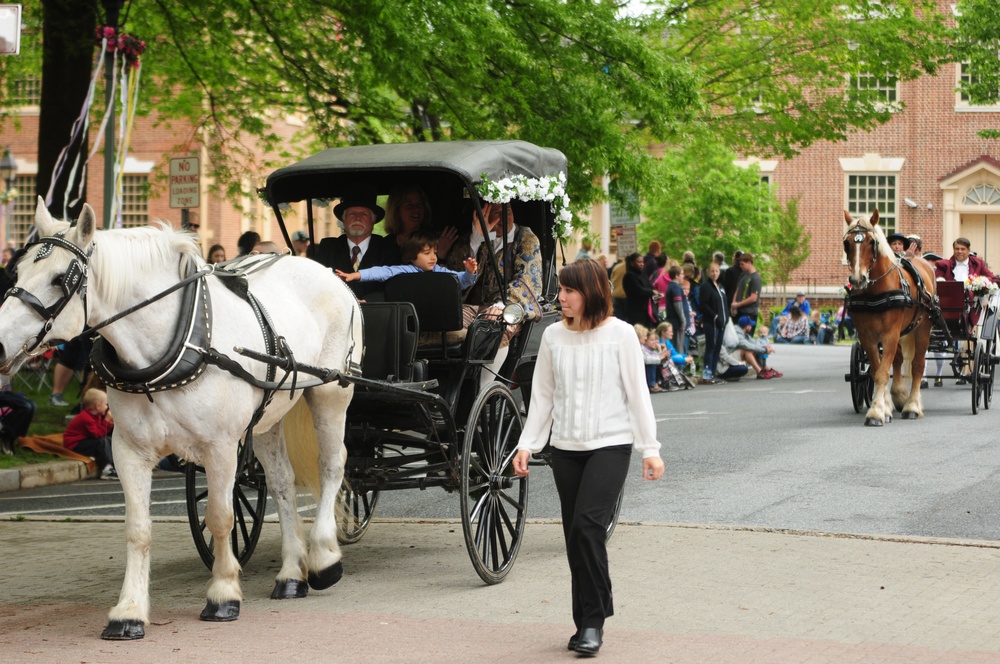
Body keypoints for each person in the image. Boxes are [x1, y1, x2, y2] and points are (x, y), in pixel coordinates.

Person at [511, 259, 664, 657]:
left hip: (610, 446)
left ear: (591, 292)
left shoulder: (621, 335)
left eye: (568, 291)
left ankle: (594, 621)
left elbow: (637, 394)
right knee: (574, 536)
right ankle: (583, 623)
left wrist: (650, 449)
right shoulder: (552, 338)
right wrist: (526, 444)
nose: (560, 298)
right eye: (560, 290)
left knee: (588, 526)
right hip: (565, 450)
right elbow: (541, 399)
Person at [443, 201, 542, 387]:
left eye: (508, 211)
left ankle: (483, 390)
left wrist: (500, 305)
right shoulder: (470, 239)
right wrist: (476, 240)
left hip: (509, 309)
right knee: (447, 323)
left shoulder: (525, 238)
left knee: (496, 326)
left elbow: (527, 279)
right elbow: (454, 277)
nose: (504, 217)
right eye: (495, 212)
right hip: (473, 307)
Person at [313, 186, 402, 301]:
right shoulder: (329, 247)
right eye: (352, 214)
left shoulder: (388, 248)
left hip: (378, 314)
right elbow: (318, 282)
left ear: (373, 220)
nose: (358, 218)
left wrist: (368, 301)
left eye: (364, 214)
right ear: (343, 219)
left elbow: (394, 285)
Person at [337, 230, 478, 289]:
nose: (433, 257)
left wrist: (470, 273)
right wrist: (354, 275)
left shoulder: (440, 271)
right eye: (427, 253)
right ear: (411, 255)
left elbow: (462, 281)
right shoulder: (404, 270)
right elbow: (380, 272)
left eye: (434, 252)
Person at [63, 388, 116, 480]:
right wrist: (106, 421)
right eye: (106, 404)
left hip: (86, 439)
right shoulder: (86, 418)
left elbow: (101, 432)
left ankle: (114, 465)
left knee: (108, 440)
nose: (107, 407)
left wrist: (110, 425)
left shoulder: (96, 416)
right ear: (98, 406)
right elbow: (97, 434)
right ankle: (106, 469)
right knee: (101, 442)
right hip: (75, 444)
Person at [698, 262, 728, 384]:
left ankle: (713, 373)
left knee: (717, 348)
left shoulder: (720, 286)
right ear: (708, 272)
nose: (714, 273)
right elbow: (704, 305)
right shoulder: (706, 287)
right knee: (710, 348)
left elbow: (724, 304)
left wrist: (726, 318)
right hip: (712, 323)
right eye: (712, 271)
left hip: (722, 323)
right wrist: (715, 317)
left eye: (716, 271)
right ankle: (707, 375)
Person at [48, 335, 92, 408]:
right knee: (72, 358)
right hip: (82, 328)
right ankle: (56, 395)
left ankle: (87, 400)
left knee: (80, 359)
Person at [935, 237, 999, 284]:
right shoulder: (944, 265)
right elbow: (936, 278)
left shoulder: (978, 264)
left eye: (963, 249)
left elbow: (994, 279)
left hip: (973, 301)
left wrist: (982, 281)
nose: (959, 251)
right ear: (953, 250)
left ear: (968, 250)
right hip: (950, 299)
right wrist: (940, 280)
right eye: (957, 249)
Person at [730, 253, 762, 332]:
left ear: (749, 263)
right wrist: (734, 304)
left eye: (742, 264)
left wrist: (738, 304)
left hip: (749, 313)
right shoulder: (743, 275)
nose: (740, 266)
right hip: (740, 312)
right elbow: (738, 289)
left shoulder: (756, 278)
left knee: (747, 337)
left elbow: (753, 297)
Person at [622, 252, 655, 327]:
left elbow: (649, 286)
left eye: (642, 262)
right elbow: (638, 290)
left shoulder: (642, 274)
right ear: (632, 263)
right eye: (639, 262)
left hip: (646, 309)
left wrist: (655, 292)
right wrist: (651, 292)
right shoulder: (629, 276)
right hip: (635, 310)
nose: (642, 264)